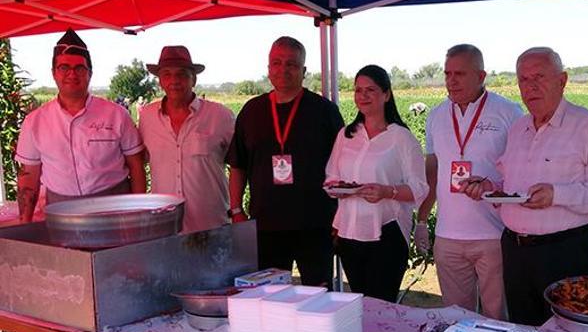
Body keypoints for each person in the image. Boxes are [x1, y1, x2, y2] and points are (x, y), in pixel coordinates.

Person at [463, 47, 588, 325]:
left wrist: (557, 194)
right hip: (514, 249)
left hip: (564, 251)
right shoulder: (518, 128)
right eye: (523, 79)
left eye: (539, 77)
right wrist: (490, 187)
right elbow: (511, 186)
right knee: (524, 330)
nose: (530, 86)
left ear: (562, 80)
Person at [226, 36, 343, 288]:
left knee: (319, 296)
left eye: (291, 64)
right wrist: (236, 210)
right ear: (268, 69)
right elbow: (238, 165)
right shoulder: (252, 111)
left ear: (304, 70)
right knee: (269, 299)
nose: (283, 70)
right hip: (266, 226)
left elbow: (344, 166)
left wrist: (341, 215)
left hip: (315, 225)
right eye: (276, 63)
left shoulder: (324, 111)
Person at [416, 44, 522, 320]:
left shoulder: (509, 112)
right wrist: (422, 219)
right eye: (447, 73)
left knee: (498, 317)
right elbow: (433, 169)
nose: (451, 81)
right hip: (448, 236)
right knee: (456, 319)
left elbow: (521, 171)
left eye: (460, 74)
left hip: (494, 234)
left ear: (481, 75)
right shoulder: (437, 115)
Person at [15, 29, 144, 223]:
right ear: (53, 73)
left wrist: (138, 213)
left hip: (115, 208)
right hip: (60, 213)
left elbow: (136, 166)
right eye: (64, 67)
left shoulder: (116, 114)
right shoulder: (35, 122)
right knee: (66, 255)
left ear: (90, 73)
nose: (72, 74)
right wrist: (24, 222)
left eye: (79, 68)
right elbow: (28, 177)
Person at [325, 65, 428, 302]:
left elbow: (420, 188)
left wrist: (387, 192)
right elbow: (331, 177)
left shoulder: (401, 138)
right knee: (359, 304)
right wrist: (338, 189)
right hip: (349, 233)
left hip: (386, 233)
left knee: (382, 304)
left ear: (387, 94)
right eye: (358, 90)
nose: (363, 96)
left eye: (370, 90)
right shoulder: (346, 135)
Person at [139, 45, 235, 233]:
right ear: (160, 81)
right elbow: (138, 161)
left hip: (210, 226)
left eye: (182, 74)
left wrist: (237, 209)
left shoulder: (220, 116)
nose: (174, 80)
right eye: (167, 74)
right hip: (164, 228)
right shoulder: (147, 117)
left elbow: (241, 164)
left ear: (194, 79)